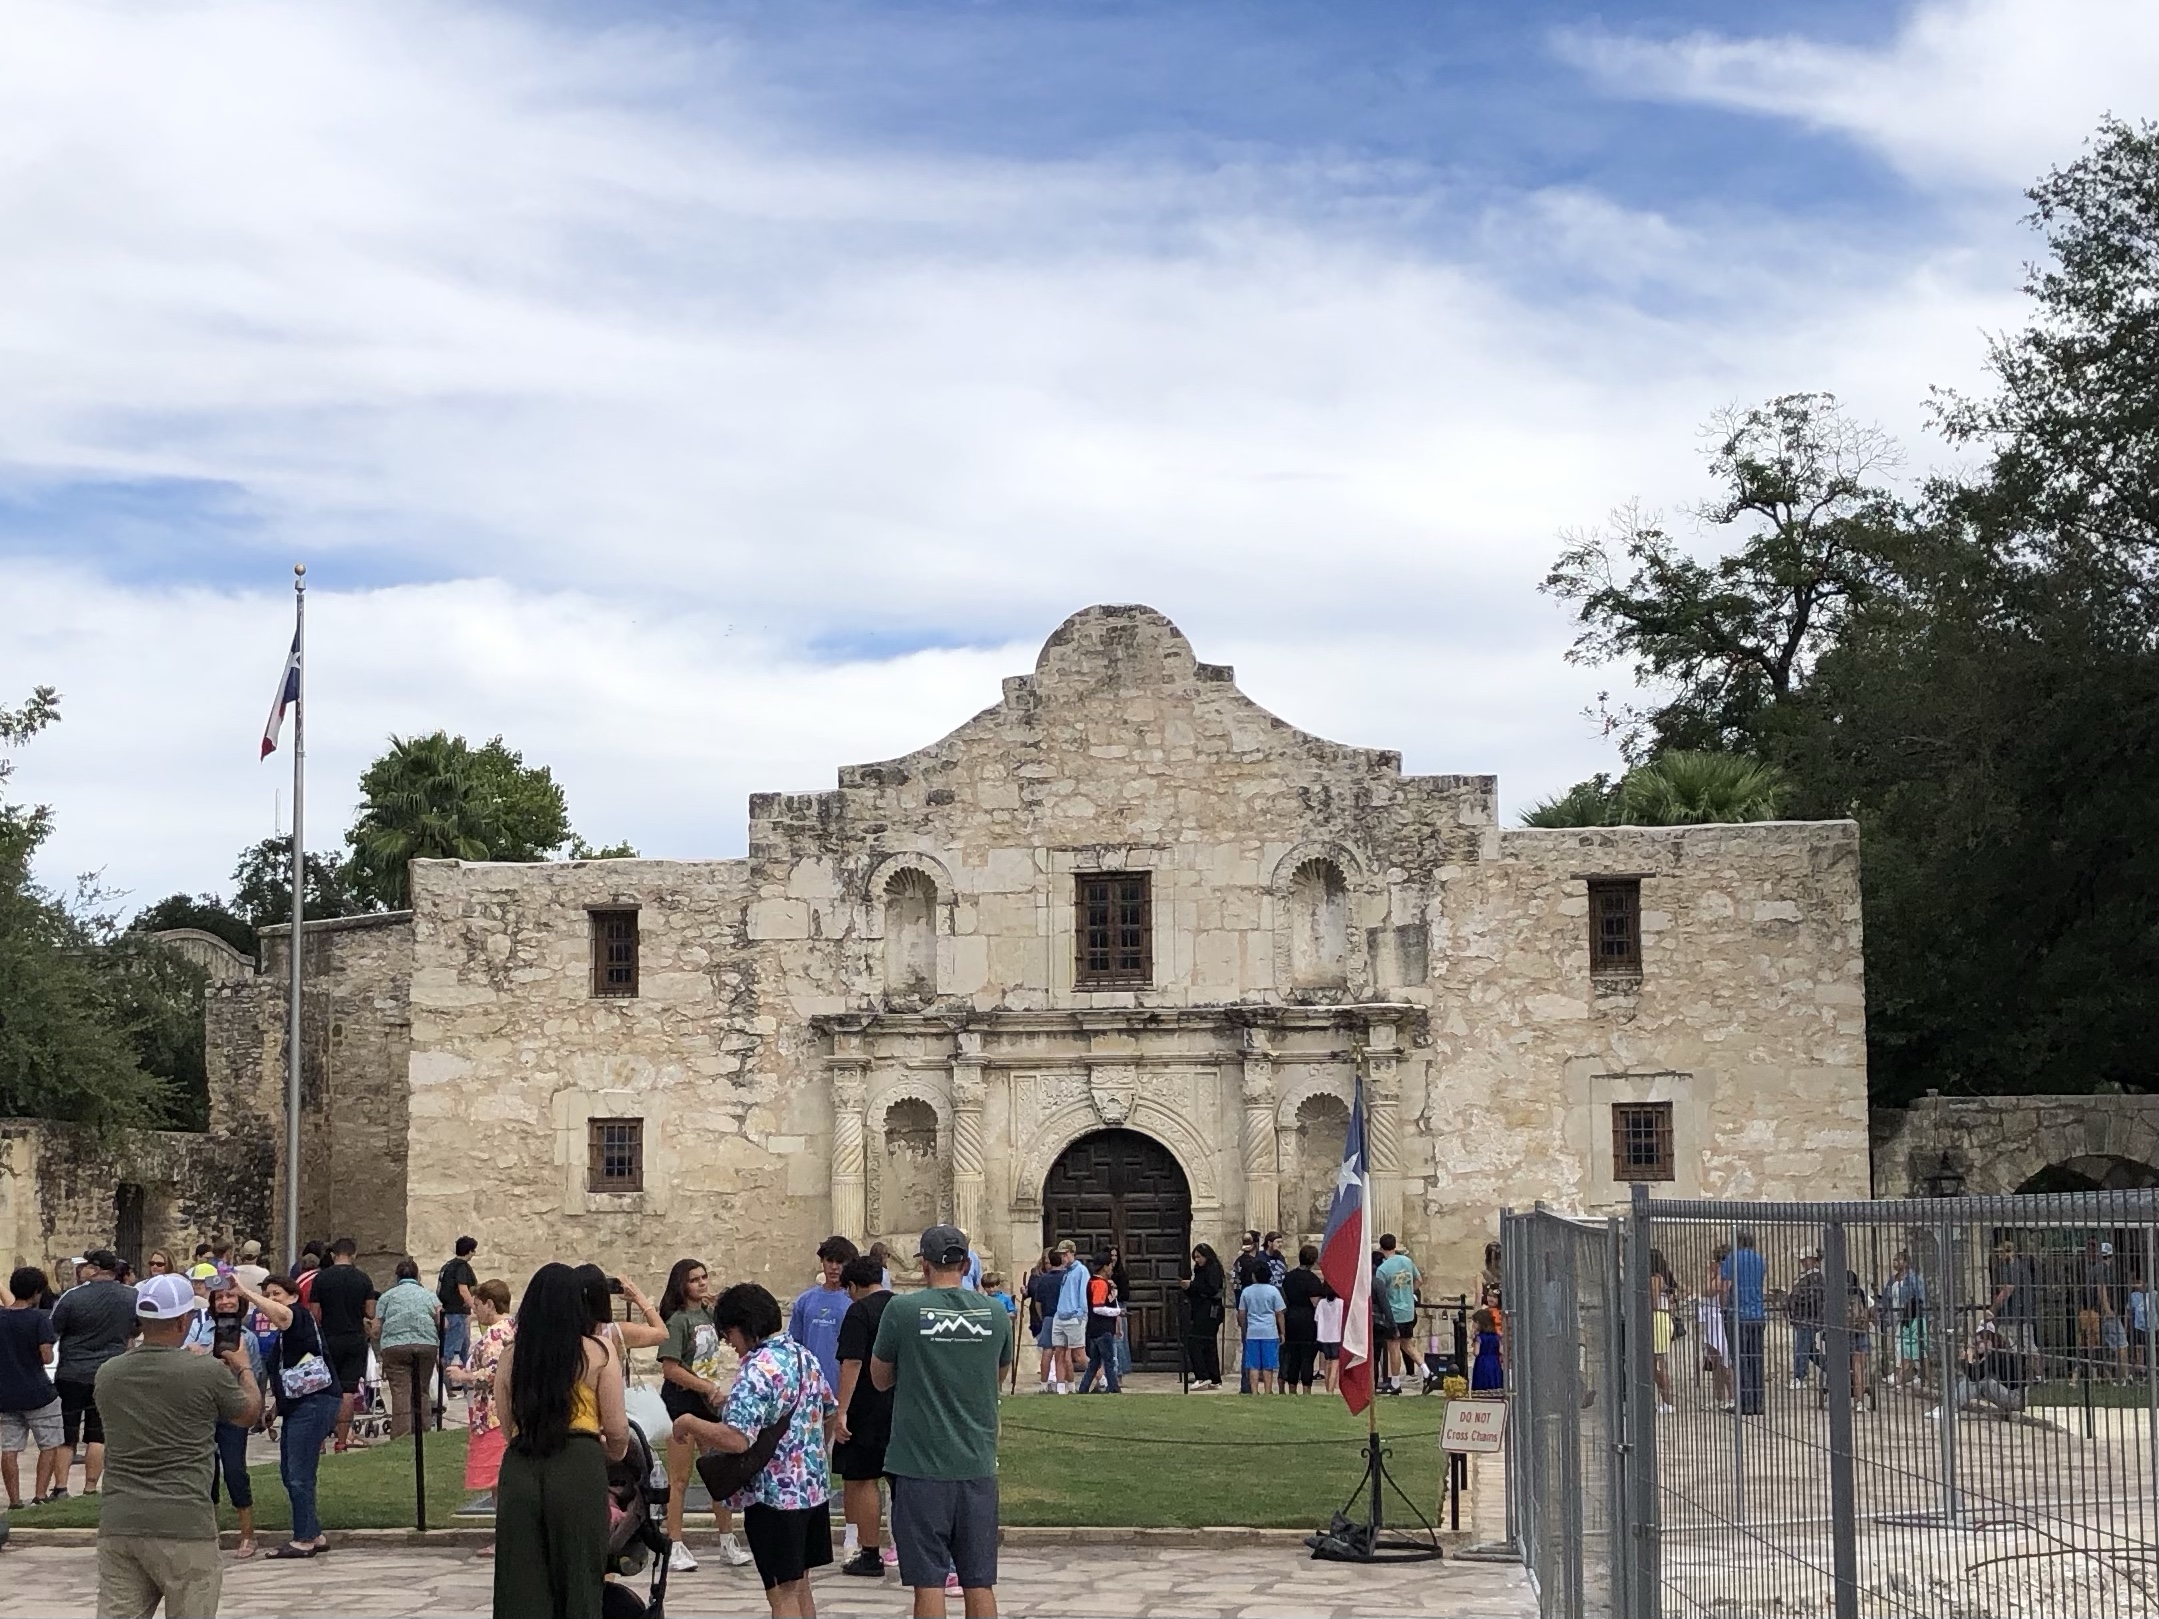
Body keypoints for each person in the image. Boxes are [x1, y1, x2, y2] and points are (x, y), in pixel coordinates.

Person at [91, 1272, 261, 1617]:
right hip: (183, 1520)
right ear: (184, 1320)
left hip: (121, 1519)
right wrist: (244, 1370)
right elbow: (247, 1415)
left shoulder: (108, 1373)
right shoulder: (204, 1371)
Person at [672, 1283, 837, 1619]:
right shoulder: (803, 1356)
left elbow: (736, 1438)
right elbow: (828, 1410)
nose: (728, 1343)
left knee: (781, 1594)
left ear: (744, 1327)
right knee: (801, 1586)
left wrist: (689, 1422)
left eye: (728, 1333)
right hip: (812, 1488)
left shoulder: (757, 1369)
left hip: (774, 1495)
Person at [871, 1225, 1011, 1619]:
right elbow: (996, 1376)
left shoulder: (902, 1310)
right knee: (978, 1580)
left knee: (928, 1582)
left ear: (923, 1265)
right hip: (976, 1462)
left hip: (920, 1463)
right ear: (966, 1263)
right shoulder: (996, 1312)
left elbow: (879, 1378)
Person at [493, 1262, 631, 1619]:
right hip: (578, 1460)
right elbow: (616, 1429)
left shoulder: (511, 1356)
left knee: (521, 1579)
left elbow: (507, 1424)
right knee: (579, 1575)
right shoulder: (598, 1353)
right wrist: (612, 1454)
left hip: (522, 1462)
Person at [654, 1257, 753, 1572]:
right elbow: (670, 1368)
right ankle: (676, 1543)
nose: (701, 1283)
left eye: (704, 1277)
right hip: (682, 1401)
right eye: (694, 1279)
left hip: (708, 1404)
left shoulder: (710, 1315)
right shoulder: (677, 1321)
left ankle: (727, 1539)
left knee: (718, 1472)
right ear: (681, 1284)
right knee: (680, 1477)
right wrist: (705, 1385)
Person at [232, 1271, 341, 1558]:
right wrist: (275, 1408)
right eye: (267, 1295)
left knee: (297, 1473)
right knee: (295, 1471)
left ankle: (304, 1537)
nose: (270, 1300)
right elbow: (289, 1375)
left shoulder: (298, 1316)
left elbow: (281, 1317)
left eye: (276, 1294)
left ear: (293, 1297)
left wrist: (246, 1294)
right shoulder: (285, 1338)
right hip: (299, 1404)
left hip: (313, 1402)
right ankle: (313, 1532)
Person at [50, 1247, 136, 1498]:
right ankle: (90, 1487)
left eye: (86, 1265)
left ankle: (61, 1487)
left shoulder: (72, 1297)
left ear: (95, 1269)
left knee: (67, 1434)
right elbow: (137, 1327)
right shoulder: (131, 1296)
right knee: (98, 1434)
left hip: (72, 1372)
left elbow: (51, 1331)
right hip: (110, 1372)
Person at [832, 1254, 895, 1577]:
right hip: (901, 1402)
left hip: (867, 1404)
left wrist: (841, 1411)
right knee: (900, 1480)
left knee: (862, 1478)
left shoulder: (859, 1312)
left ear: (854, 1286)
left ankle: (870, 1551)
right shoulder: (902, 1308)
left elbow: (852, 1362)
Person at [445, 1278, 513, 1547]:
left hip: (494, 1414)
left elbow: (495, 1371)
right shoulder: (515, 1328)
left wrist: (465, 1375)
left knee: (498, 1481)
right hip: (503, 1411)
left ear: (489, 1304)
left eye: (478, 1306)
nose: (476, 1312)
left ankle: (505, 1537)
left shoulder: (496, 1335)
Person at [202, 1274, 261, 1558]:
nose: (225, 1302)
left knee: (235, 1470)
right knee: (206, 1470)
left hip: (234, 1410)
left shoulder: (248, 1338)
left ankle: (247, 1534)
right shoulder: (200, 1331)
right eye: (220, 1297)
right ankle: (209, 1531)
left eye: (230, 1296)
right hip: (204, 1409)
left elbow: (256, 1375)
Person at [2, 1266, 65, 1508]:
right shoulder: (39, 1319)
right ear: (37, 1292)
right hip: (38, 1392)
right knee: (48, 1444)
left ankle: (14, 1500)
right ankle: (40, 1495)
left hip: (5, 1393)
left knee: (9, 1448)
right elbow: (47, 1356)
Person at [309, 1237, 377, 1452]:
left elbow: (315, 1313)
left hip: (329, 1337)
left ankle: (319, 1442)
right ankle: (341, 1441)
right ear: (354, 1254)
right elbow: (370, 1312)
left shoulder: (321, 1279)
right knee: (347, 1391)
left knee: (323, 1389)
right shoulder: (363, 1279)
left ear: (332, 1255)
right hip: (354, 1338)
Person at [376, 1257, 443, 1439]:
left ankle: (401, 1434)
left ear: (397, 1277)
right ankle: (423, 1431)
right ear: (418, 1276)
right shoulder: (429, 1295)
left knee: (401, 1391)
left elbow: (376, 1327)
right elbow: (442, 1320)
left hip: (394, 1346)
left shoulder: (387, 1297)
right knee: (421, 1389)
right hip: (425, 1344)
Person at [786, 1236, 859, 1401]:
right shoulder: (805, 1300)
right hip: (809, 1389)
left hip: (842, 1390)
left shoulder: (854, 1303)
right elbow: (794, 1346)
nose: (834, 1267)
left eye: (840, 1262)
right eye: (829, 1261)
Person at [1722, 1230, 1768, 1415]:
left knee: (1740, 1359)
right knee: (1756, 1358)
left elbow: (1725, 1286)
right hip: (1757, 1313)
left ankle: (1745, 1403)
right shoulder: (1760, 1259)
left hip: (1737, 1314)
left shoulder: (1731, 1258)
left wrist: (1724, 1307)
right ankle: (1758, 1402)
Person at [1279, 1245, 1331, 1394]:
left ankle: (1292, 1388)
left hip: (1291, 1318)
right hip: (1307, 1320)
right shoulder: (1312, 1280)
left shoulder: (1289, 1277)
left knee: (1293, 1357)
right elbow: (1315, 1303)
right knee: (1307, 1357)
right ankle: (1307, 1389)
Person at [1989, 1236, 2041, 1382]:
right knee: (2024, 1346)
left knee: (2017, 1346)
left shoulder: (2009, 1268)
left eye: (2001, 1252)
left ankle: (2030, 1375)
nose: (1999, 1256)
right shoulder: (2021, 1267)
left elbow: (2007, 1290)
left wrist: (1992, 1310)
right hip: (2022, 1313)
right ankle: (2031, 1375)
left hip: (2014, 1315)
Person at [1373, 1235, 1419, 1393]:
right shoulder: (1407, 1261)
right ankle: (1426, 1370)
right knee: (1407, 1344)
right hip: (1408, 1310)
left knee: (1394, 1347)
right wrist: (1409, 1292)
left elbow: (1380, 1293)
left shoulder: (1382, 1269)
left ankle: (1395, 1381)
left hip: (1394, 1311)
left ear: (1381, 1248)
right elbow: (1418, 1279)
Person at [1237, 1267, 1285, 1395]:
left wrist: (1244, 1329)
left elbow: (1241, 1313)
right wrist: (1282, 1332)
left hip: (1253, 1331)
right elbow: (1279, 1313)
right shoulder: (1273, 1291)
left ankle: (1254, 1390)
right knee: (1268, 1365)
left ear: (1254, 1276)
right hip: (1269, 1331)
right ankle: (1268, 1390)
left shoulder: (1247, 1291)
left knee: (1253, 1365)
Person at [1182, 1245, 1225, 1389]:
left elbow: (1211, 1290)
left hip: (1209, 1311)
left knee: (1195, 1341)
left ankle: (1202, 1375)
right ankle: (1214, 1378)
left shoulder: (1212, 1270)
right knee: (1208, 1344)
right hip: (1201, 1309)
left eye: (1199, 1257)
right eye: (1195, 1257)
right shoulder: (1200, 1270)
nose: (1197, 1260)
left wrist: (1192, 1286)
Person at [1077, 1258, 1122, 1394]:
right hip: (1103, 1328)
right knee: (1108, 1361)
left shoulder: (1092, 1282)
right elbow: (1098, 1307)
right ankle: (1113, 1387)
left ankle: (1083, 1388)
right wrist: (1118, 1312)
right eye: (1109, 1266)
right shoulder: (1100, 1284)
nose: (1111, 1269)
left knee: (1094, 1362)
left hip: (1093, 1328)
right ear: (1104, 1267)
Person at [1050, 1240, 1089, 1394]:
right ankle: (1061, 1388)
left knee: (1079, 1355)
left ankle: (1102, 1379)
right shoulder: (1067, 1272)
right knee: (1059, 1352)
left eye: (1065, 1255)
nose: (1063, 1258)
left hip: (1074, 1317)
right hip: (1060, 1316)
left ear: (1072, 1253)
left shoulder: (1081, 1270)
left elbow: (1083, 1293)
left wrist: (1080, 1314)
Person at [1885, 1252, 1929, 1388]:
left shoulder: (1913, 1279)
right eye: (1894, 1260)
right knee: (1901, 1346)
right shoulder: (1893, 1280)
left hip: (1913, 1317)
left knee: (1919, 1348)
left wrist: (1914, 1312)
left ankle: (1921, 1377)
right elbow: (1887, 1298)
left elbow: (1920, 1298)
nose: (1894, 1263)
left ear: (1905, 1263)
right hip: (1899, 1318)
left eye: (1897, 1260)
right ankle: (1906, 1375)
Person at [1023, 1253, 1064, 1392]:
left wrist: (1042, 1316)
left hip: (1048, 1317)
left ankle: (1044, 1385)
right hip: (1062, 1317)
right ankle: (1062, 1385)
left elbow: (1038, 1303)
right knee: (1063, 1351)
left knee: (1047, 1350)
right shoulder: (1066, 1278)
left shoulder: (1043, 1279)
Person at [1700, 1245, 1734, 1410]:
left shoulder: (1725, 1275)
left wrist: (1715, 1274)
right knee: (1715, 1360)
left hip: (1720, 1319)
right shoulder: (1717, 1275)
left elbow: (1709, 1291)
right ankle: (1718, 1396)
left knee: (1725, 1359)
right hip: (1711, 1319)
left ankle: (1733, 1396)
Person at [438, 1236, 480, 1369]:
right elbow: (463, 1290)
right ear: (469, 1251)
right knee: (453, 1350)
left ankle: (460, 1383)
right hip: (457, 1312)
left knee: (458, 1348)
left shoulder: (447, 1266)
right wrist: (475, 1307)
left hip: (447, 1311)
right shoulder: (462, 1268)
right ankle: (448, 1382)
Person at [1786, 1250, 1825, 1389]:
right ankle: (1830, 1367)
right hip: (1803, 1318)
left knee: (1802, 1347)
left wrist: (1794, 1300)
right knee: (1809, 1350)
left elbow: (1811, 1297)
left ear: (1814, 1260)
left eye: (1805, 1259)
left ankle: (1799, 1376)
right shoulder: (1807, 1276)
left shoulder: (1815, 1277)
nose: (1802, 1262)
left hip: (1808, 1318)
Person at [1648, 1250, 1676, 1414]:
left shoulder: (1655, 1279)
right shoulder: (1662, 1279)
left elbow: (1653, 1303)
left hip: (1657, 1320)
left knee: (1657, 1364)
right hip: (1661, 1320)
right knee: (1655, 1363)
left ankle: (1667, 1402)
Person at [1314, 1285, 1345, 1396]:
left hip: (1323, 1337)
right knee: (1335, 1363)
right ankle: (1331, 1389)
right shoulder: (1341, 1303)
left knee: (1327, 1362)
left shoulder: (1321, 1303)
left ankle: (1327, 1387)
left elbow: (1316, 1319)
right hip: (1336, 1337)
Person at [1470, 1307, 1504, 1393]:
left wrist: (1473, 1342)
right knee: (1494, 1381)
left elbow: (1476, 1353)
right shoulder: (1497, 1337)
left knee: (1482, 1384)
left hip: (1482, 1362)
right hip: (1494, 1361)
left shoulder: (1479, 1337)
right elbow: (1501, 1350)